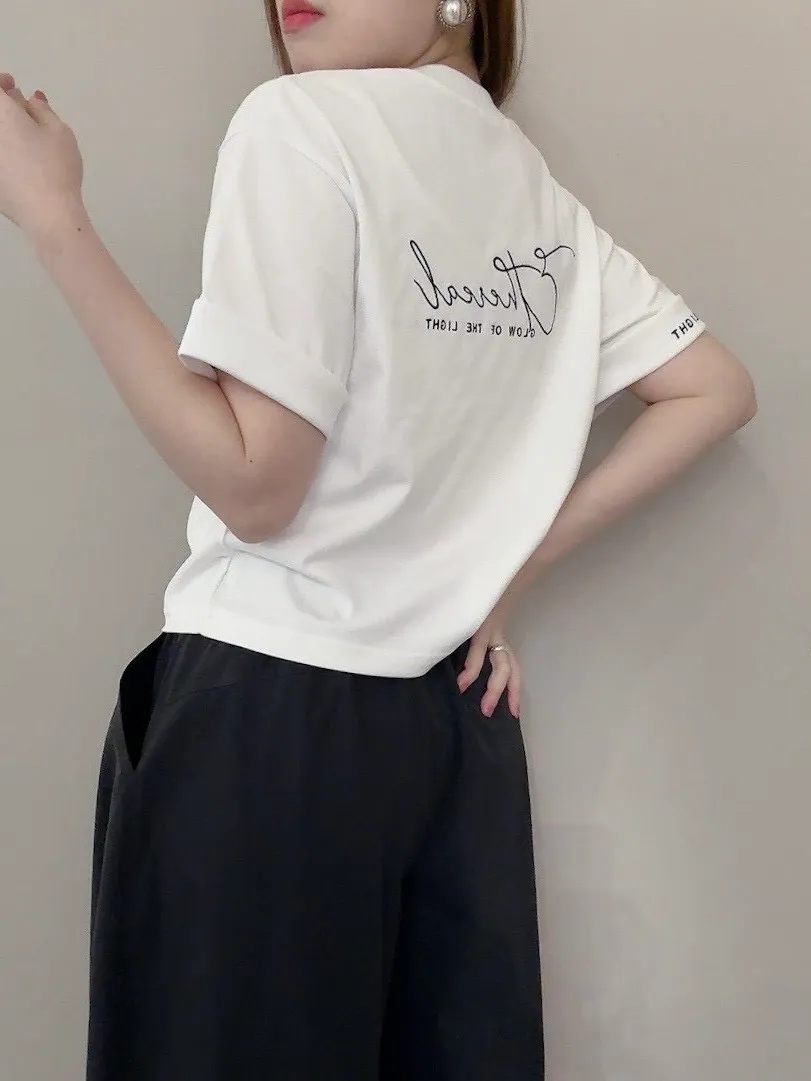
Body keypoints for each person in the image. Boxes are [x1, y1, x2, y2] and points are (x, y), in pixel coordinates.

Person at [0, 0, 757, 1077]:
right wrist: (505, 577)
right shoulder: (531, 191)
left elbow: (256, 484)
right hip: (454, 737)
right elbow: (713, 387)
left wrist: (52, 218)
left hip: (263, 724)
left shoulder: (299, 122)